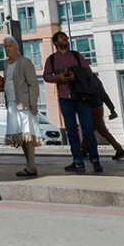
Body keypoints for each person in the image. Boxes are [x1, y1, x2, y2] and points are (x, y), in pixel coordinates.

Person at [43, 31, 102, 173]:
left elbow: (89, 72)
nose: (65, 39)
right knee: (71, 131)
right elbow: (46, 76)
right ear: (56, 42)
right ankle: (78, 162)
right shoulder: (51, 59)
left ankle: (95, 161)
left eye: (66, 37)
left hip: (81, 97)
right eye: (62, 37)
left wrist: (77, 75)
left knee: (88, 130)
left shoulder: (76, 56)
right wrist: (59, 77)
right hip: (65, 98)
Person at [0, 35, 41, 176]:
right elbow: (10, 82)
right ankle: (29, 166)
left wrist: (33, 103)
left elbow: (33, 84)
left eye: (10, 46)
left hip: (24, 104)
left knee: (27, 135)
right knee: (21, 137)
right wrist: (0, 86)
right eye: (5, 47)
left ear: (16, 48)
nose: (7, 49)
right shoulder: (5, 63)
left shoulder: (25, 62)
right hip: (11, 104)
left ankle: (31, 165)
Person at [91, 82, 124, 160]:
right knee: (91, 129)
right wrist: (112, 109)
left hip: (92, 107)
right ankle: (83, 149)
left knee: (102, 130)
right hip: (99, 106)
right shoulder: (96, 80)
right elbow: (104, 95)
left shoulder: (85, 79)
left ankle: (119, 149)